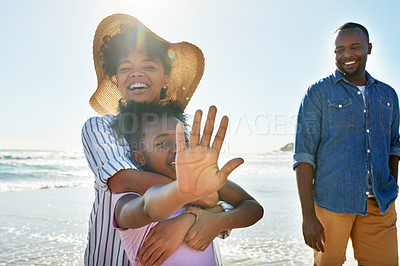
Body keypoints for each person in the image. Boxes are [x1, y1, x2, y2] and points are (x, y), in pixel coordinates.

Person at [82, 14, 239, 265]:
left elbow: (230, 198)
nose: (136, 74)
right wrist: (200, 196)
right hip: (113, 257)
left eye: (149, 66)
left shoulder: (181, 136)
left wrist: (196, 215)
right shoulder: (99, 127)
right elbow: (123, 179)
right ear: (116, 80)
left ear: (165, 78)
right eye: (125, 68)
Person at [293, 22, 400, 265]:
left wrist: (391, 186)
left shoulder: (388, 95)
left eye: (354, 47)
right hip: (332, 205)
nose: (346, 55)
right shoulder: (317, 93)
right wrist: (308, 216)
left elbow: (394, 145)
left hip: (380, 207)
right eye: (339, 50)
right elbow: (303, 156)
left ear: (369, 48)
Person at [110, 101, 263, 265]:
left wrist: (217, 222)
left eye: (183, 141)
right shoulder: (129, 197)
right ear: (140, 157)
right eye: (162, 143)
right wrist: (184, 192)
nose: (177, 149)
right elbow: (148, 208)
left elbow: (254, 208)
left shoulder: (201, 182)